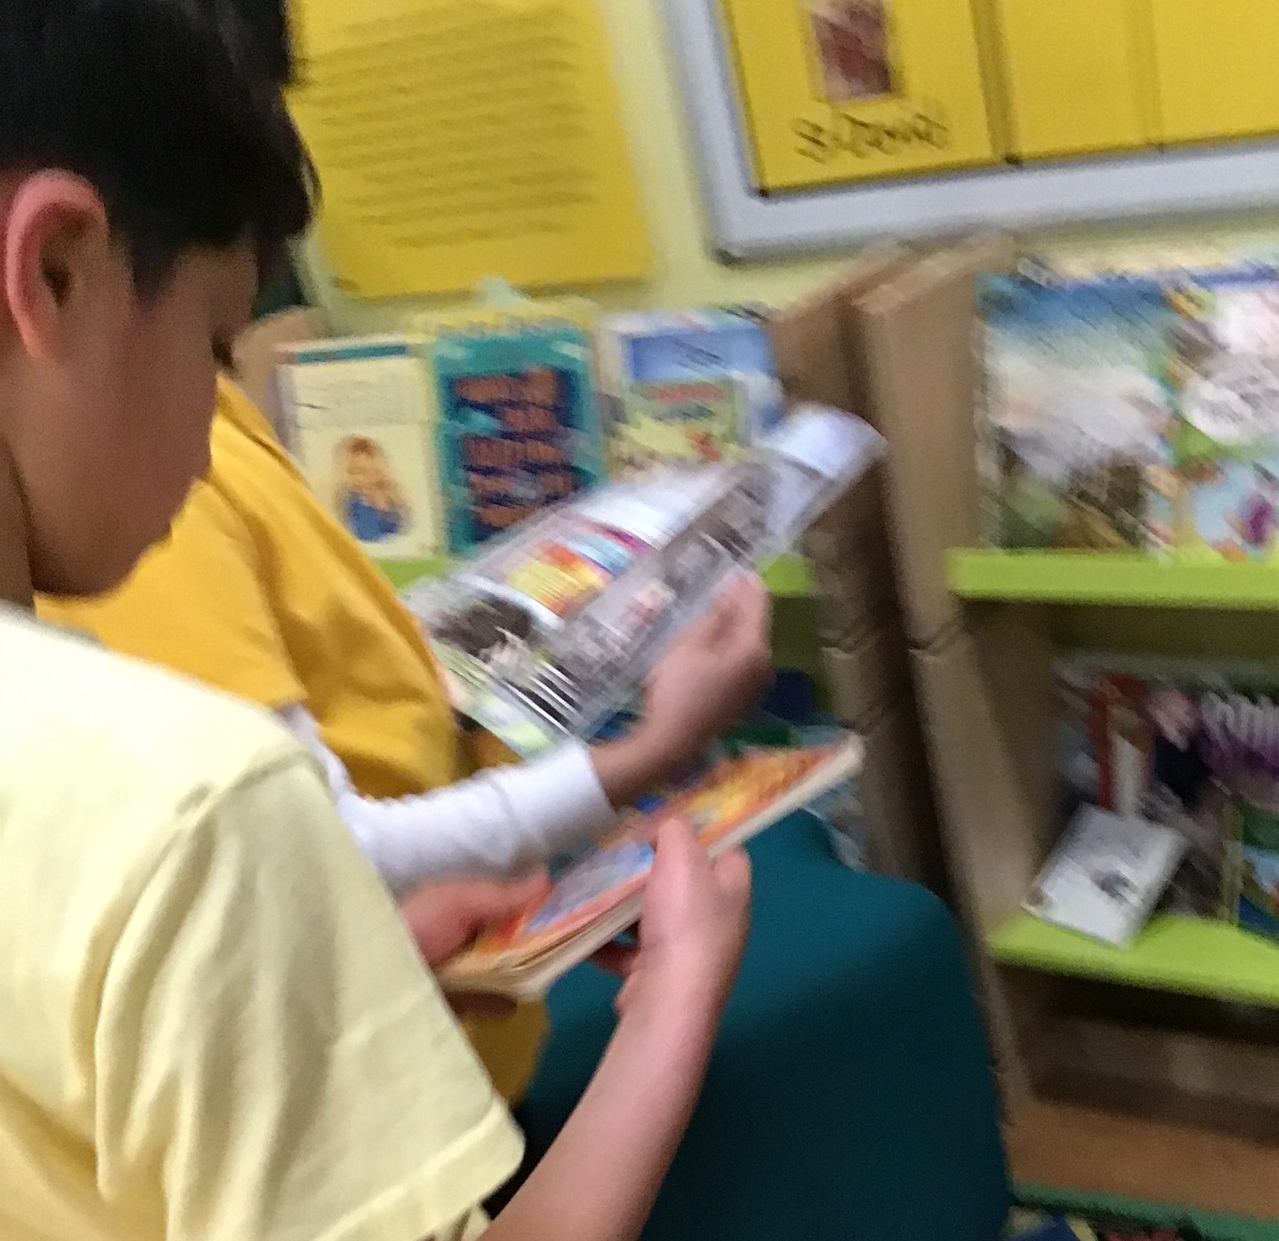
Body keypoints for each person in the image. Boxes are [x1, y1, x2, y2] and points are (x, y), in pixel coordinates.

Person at [0, 0, 769, 1241]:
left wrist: (344, 986)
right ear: (53, 264)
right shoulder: (178, 799)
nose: (210, 432)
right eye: (212, 344)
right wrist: (673, 1008)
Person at [39, 370, 772, 1107]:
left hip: (432, 1011)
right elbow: (325, 848)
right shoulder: (147, 489)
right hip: (388, 1083)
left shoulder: (190, 411)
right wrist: (656, 747)